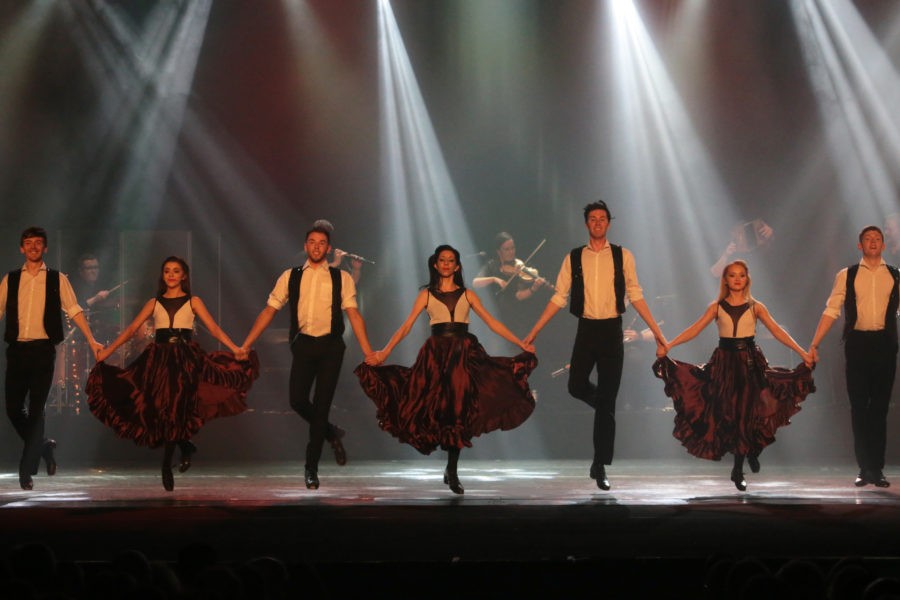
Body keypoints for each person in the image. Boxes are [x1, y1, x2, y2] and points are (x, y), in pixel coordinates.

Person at [356, 244, 537, 495]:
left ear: (457, 266)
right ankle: (448, 464)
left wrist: (520, 343)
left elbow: (492, 322)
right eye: (442, 260)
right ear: (435, 264)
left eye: (451, 260)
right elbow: (406, 327)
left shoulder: (468, 294)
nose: (446, 264)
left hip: (464, 355)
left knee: (458, 409)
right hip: (436, 357)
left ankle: (452, 470)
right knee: (429, 405)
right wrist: (384, 352)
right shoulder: (426, 295)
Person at [524, 200, 667, 491]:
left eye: (602, 218)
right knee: (576, 386)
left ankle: (600, 464)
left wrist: (656, 331)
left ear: (609, 223)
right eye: (593, 218)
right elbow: (558, 297)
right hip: (587, 329)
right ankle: (606, 405)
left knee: (607, 399)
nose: (598, 222)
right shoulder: (574, 257)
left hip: (612, 330)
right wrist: (534, 331)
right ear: (586, 223)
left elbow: (636, 294)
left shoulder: (623, 255)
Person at [86, 256, 258, 491]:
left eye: (176, 271)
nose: (171, 275)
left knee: (176, 408)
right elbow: (132, 329)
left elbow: (214, 328)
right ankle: (185, 445)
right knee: (162, 408)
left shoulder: (193, 301)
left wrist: (235, 348)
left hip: (185, 360)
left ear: (184, 275)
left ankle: (167, 464)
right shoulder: (154, 302)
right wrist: (107, 352)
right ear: (163, 275)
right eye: (167, 271)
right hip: (159, 360)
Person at [653, 260, 815, 491]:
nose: (737, 279)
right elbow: (695, 329)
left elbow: (777, 330)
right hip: (725, 365)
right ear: (725, 280)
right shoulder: (716, 307)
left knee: (748, 412)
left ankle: (741, 465)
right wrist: (669, 345)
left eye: (741, 275)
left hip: (749, 364)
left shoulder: (756, 307)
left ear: (747, 279)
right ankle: (746, 454)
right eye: (732, 275)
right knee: (729, 413)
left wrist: (802, 352)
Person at [238, 225, 375, 490]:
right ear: (305, 246)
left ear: (328, 248)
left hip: (331, 348)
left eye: (321, 243)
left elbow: (354, 315)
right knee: (297, 400)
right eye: (312, 242)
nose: (316, 246)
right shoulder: (290, 276)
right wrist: (246, 344)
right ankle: (331, 432)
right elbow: (269, 311)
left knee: (321, 407)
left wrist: (369, 351)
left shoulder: (341, 278)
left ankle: (311, 469)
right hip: (303, 345)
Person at [0, 226, 103, 490]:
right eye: (28, 243)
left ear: (45, 248)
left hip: (43, 351)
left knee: (37, 410)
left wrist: (91, 339)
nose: (33, 247)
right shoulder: (11, 279)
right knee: (13, 409)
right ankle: (43, 446)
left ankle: (26, 469)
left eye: (38, 243)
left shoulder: (57, 279)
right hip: (17, 350)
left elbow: (75, 310)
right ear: (21, 248)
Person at [808, 226, 899, 488]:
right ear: (860, 245)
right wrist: (814, 343)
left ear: (883, 245)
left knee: (879, 407)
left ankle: (876, 469)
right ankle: (864, 467)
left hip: (885, 343)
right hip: (858, 343)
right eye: (868, 239)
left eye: (877, 239)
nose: (873, 242)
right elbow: (831, 310)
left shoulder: (895, 275)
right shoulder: (847, 275)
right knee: (859, 406)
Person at [710, 219, 774, 278]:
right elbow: (714, 273)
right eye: (739, 233)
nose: (740, 238)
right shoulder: (722, 241)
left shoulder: (752, 260)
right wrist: (725, 255)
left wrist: (771, 230)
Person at [313, 219, 364, 286]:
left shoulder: (335, 255)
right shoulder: (306, 255)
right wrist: (335, 263)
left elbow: (351, 283)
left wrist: (356, 269)